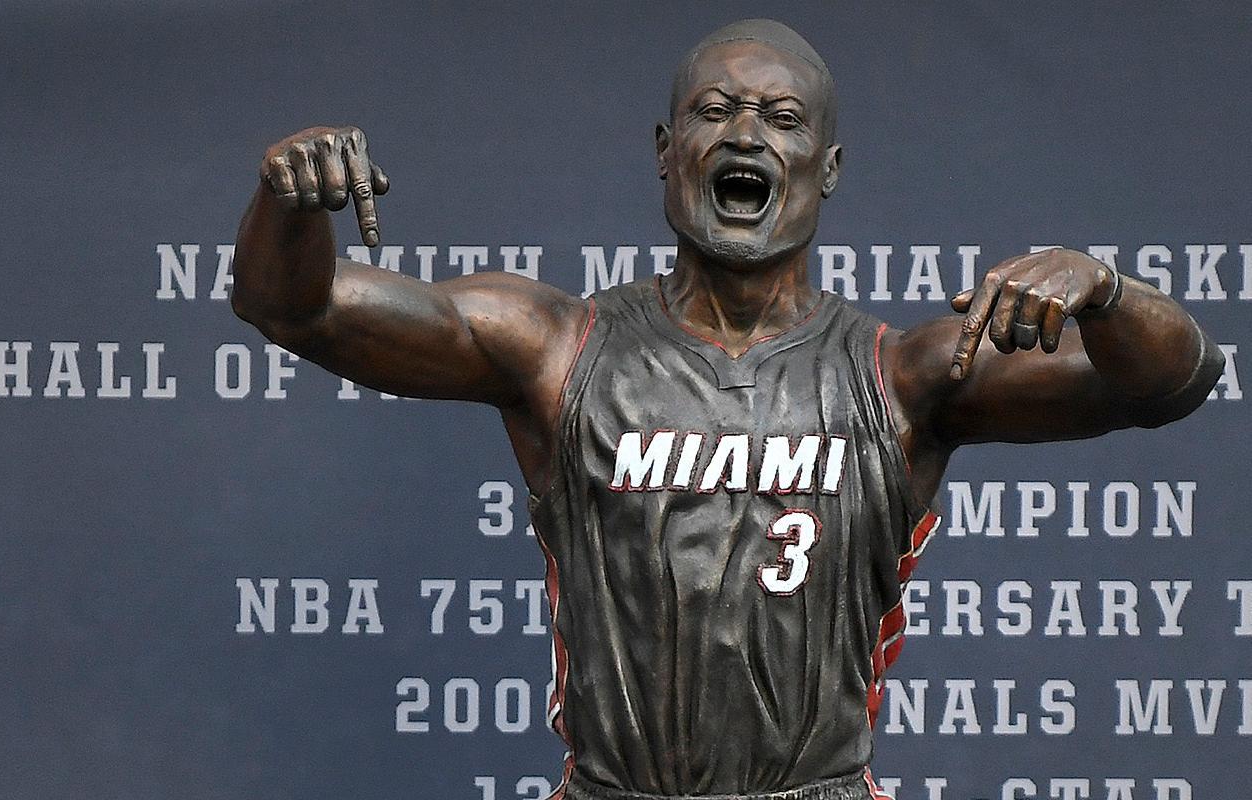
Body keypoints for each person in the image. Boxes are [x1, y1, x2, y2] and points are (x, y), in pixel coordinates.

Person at [230, 18, 1223, 800]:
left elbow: (1172, 381)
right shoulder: (555, 346)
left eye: (783, 119)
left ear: (827, 168)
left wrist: (1106, 289)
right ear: (669, 151)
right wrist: (288, 202)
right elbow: (293, 305)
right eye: (716, 111)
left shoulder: (901, 376)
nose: (747, 134)